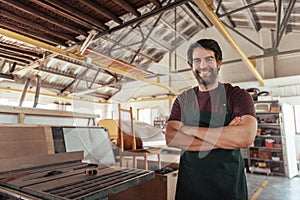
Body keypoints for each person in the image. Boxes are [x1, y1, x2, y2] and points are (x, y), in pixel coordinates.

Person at [166, 39, 257, 200]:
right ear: (191, 66)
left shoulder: (237, 96)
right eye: (197, 60)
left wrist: (191, 130)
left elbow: (245, 137)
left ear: (219, 63)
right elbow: (171, 137)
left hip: (228, 186)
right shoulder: (183, 99)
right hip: (190, 186)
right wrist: (225, 137)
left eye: (209, 59)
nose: (203, 65)